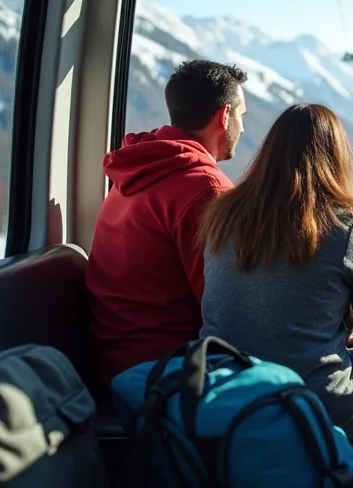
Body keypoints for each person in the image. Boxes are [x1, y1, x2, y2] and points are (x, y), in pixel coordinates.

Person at [199, 104, 353, 488]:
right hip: (315, 408)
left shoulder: (222, 215)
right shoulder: (350, 225)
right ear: (337, 157)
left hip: (226, 401)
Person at [85, 59, 247, 388]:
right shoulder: (205, 190)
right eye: (241, 116)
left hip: (114, 364)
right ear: (224, 116)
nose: (242, 129)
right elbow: (230, 306)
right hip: (170, 374)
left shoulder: (138, 168)